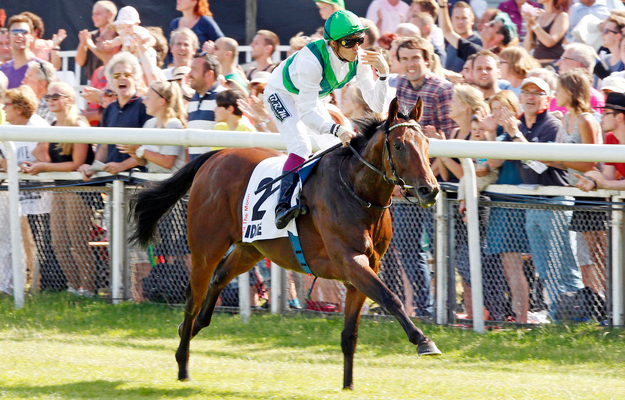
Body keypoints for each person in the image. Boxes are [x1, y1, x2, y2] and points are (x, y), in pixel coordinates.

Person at [264, 10, 389, 229]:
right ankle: (282, 205)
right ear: (332, 44)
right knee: (301, 145)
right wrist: (336, 128)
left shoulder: (359, 60)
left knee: (334, 149)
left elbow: (377, 106)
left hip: (313, 99)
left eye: (360, 39)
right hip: (281, 93)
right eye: (349, 42)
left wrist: (384, 75)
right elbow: (306, 113)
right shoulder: (310, 62)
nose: (357, 47)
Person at [499, 76, 584, 317]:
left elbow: (538, 165)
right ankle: (559, 313)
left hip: (554, 202)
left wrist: (514, 135)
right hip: (532, 202)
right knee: (545, 266)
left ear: (547, 99)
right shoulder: (519, 125)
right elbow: (496, 159)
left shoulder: (551, 125)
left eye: (537, 92)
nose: (531, 96)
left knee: (563, 264)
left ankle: (577, 314)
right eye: (526, 92)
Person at [21, 82, 97, 296]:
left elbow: (75, 163)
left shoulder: (78, 126)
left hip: (79, 189)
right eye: (48, 97)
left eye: (56, 96)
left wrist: (42, 166)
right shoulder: (52, 125)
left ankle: (89, 289)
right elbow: (40, 153)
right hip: (60, 188)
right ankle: (74, 287)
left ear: (69, 99)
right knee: (59, 242)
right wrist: (27, 163)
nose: (51, 100)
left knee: (77, 241)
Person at [0, 85, 63, 293]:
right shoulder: (14, 129)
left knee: (42, 245)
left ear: (19, 108)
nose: (3, 108)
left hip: (42, 198)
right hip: (25, 196)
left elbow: (43, 158)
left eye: (7, 105)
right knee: (28, 243)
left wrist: (13, 164)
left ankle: (45, 287)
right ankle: (31, 286)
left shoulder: (36, 125)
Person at [478, 90, 532, 323]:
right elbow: (490, 163)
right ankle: (519, 318)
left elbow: (494, 161)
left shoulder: (518, 131)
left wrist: (496, 132)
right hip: (502, 204)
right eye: (495, 109)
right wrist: (490, 132)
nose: (499, 114)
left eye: (503, 108)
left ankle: (522, 318)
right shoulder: (499, 135)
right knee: (510, 266)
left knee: (516, 266)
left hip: (517, 204)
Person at [552, 71, 606, 298]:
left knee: (599, 255)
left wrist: (555, 161)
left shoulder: (586, 119)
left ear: (571, 92)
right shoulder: (566, 118)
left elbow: (590, 163)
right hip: (579, 192)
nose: (555, 93)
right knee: (586, 257)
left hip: (595, 195)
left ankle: (608, 302)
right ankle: (594, 302)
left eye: (559, 89)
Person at [77, 52, 150, 180]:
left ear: (136, 79)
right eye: (116, 75)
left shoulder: (145, 106)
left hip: (136, 181)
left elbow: (149, 149)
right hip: (111, 181)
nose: (122, 78)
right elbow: (104, 147)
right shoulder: (110, 109)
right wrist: (93, 168)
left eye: (127, 74)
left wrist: (122, 166)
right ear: (112, 81)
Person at [396, 36, 455, 140]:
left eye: (415, 58)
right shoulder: (402, 83)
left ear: (427, 60)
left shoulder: (443, 89)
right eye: (404, 59)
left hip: (434, 152)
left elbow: (449, 134)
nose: (410, 64)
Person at [439, 0, 518, 59]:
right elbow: (448, 33)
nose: (486, 25)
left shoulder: (504, 61)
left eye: (491, 25)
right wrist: (443, 6)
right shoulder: (475, 52)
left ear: (499, 37)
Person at [186, 52, 226, 160]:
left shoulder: (225, 98)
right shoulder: (193, 99)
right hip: (195, 171)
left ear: (209, 74)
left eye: (194, 69)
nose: (189, 74)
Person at [165, 0, 224, 65]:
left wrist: (213, 48)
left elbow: (222, 43)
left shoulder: (205, 21)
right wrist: (171, 66)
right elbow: (168, 47)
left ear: (194, 2)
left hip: (202, 69)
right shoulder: (174, 23)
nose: (178, 0)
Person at [554, 43, 605, 114]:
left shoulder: (595, 99)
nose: (558, 63)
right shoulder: (557, 96)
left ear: (577, 65)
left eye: (564, 59)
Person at [76, 1, 117, 82]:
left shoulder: (118, 36)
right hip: (94, 81)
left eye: (98, 14)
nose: (94, 17)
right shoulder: (91, 36)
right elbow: (80, 62)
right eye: (93, 14)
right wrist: (82, 43)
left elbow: (108, 59)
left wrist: (89, 43)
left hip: (113, 81)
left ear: (110, 15)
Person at [0, 15, 43, 89]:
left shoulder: (42, 67)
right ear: (8, 37)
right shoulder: (3, 69)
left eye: (24, 32)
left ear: (31, 37)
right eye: (14, 32)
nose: (19, 35)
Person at [522, 0, 569, 66]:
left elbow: (549, 42)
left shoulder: (562, 16)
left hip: (553, 65)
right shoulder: (538, 16)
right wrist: (529, 31)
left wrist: (533, 25)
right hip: (537, 65)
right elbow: (527, 48)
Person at [445, 1, 482, 73]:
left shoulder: (479, 44)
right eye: (457, 18)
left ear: (472, 20)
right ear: (451, 19)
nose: (460, 22)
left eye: (464, 18)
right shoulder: (451, 44)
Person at [21, 59, 57, 124]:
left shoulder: (52, 106)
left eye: (28, 78)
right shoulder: (24, 103)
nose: (23, 81)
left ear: (42, 84)